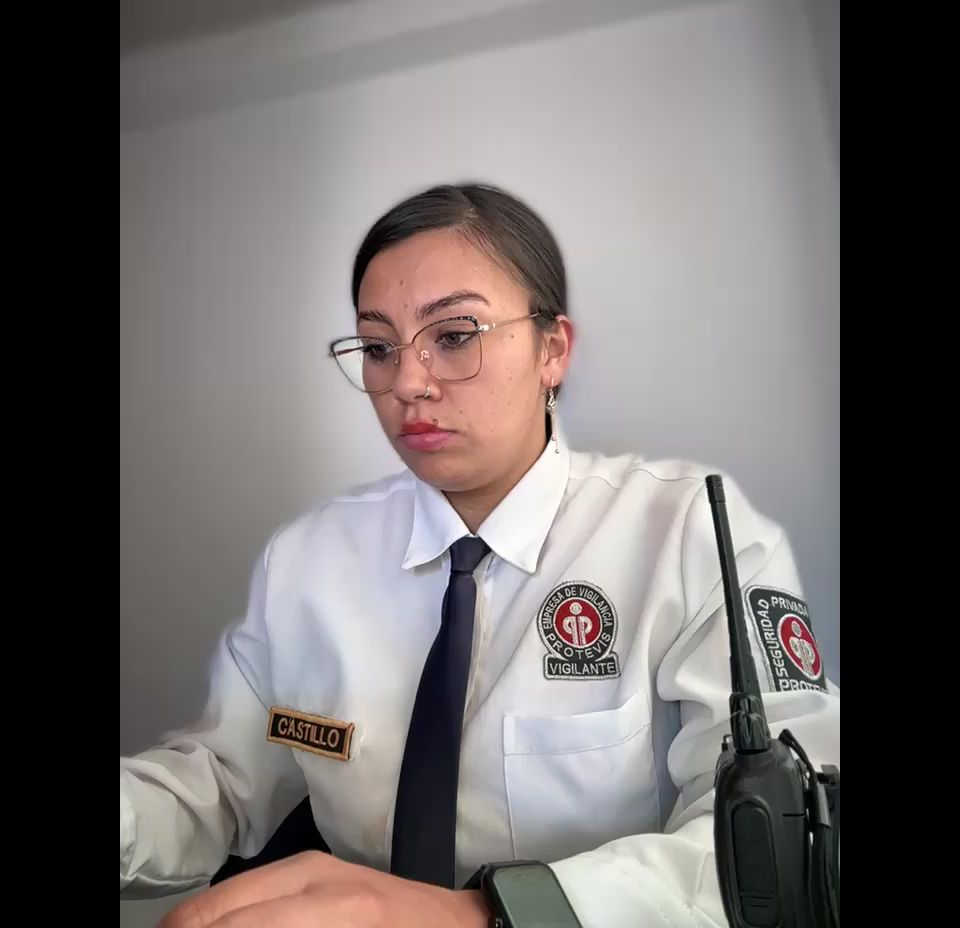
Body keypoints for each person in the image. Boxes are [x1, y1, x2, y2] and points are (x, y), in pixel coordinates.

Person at [120, 183, 840, 928]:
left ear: (552, 350)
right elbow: (222, 780)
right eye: (378, 348)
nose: (408, 383)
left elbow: (783, 848)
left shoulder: (687, 537)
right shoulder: (309, 562)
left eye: (455, 335)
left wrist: (480, 915)